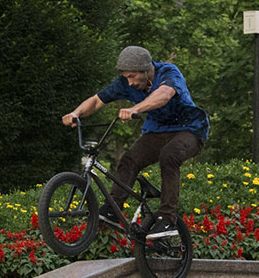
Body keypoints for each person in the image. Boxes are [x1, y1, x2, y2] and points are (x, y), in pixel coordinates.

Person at [63, 46, 209, 239]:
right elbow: (97, 100)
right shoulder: (125, 83)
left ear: (146, 70)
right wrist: (76, 113)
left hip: (189, 129)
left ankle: (167, 219)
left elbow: (164, 94)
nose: (130, 82)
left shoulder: (168, 72)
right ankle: (113, 210)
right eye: (126, 77)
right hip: (157, 131)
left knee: (169, 155)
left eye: (133, 76)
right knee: (129, 159)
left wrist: (136, 109)